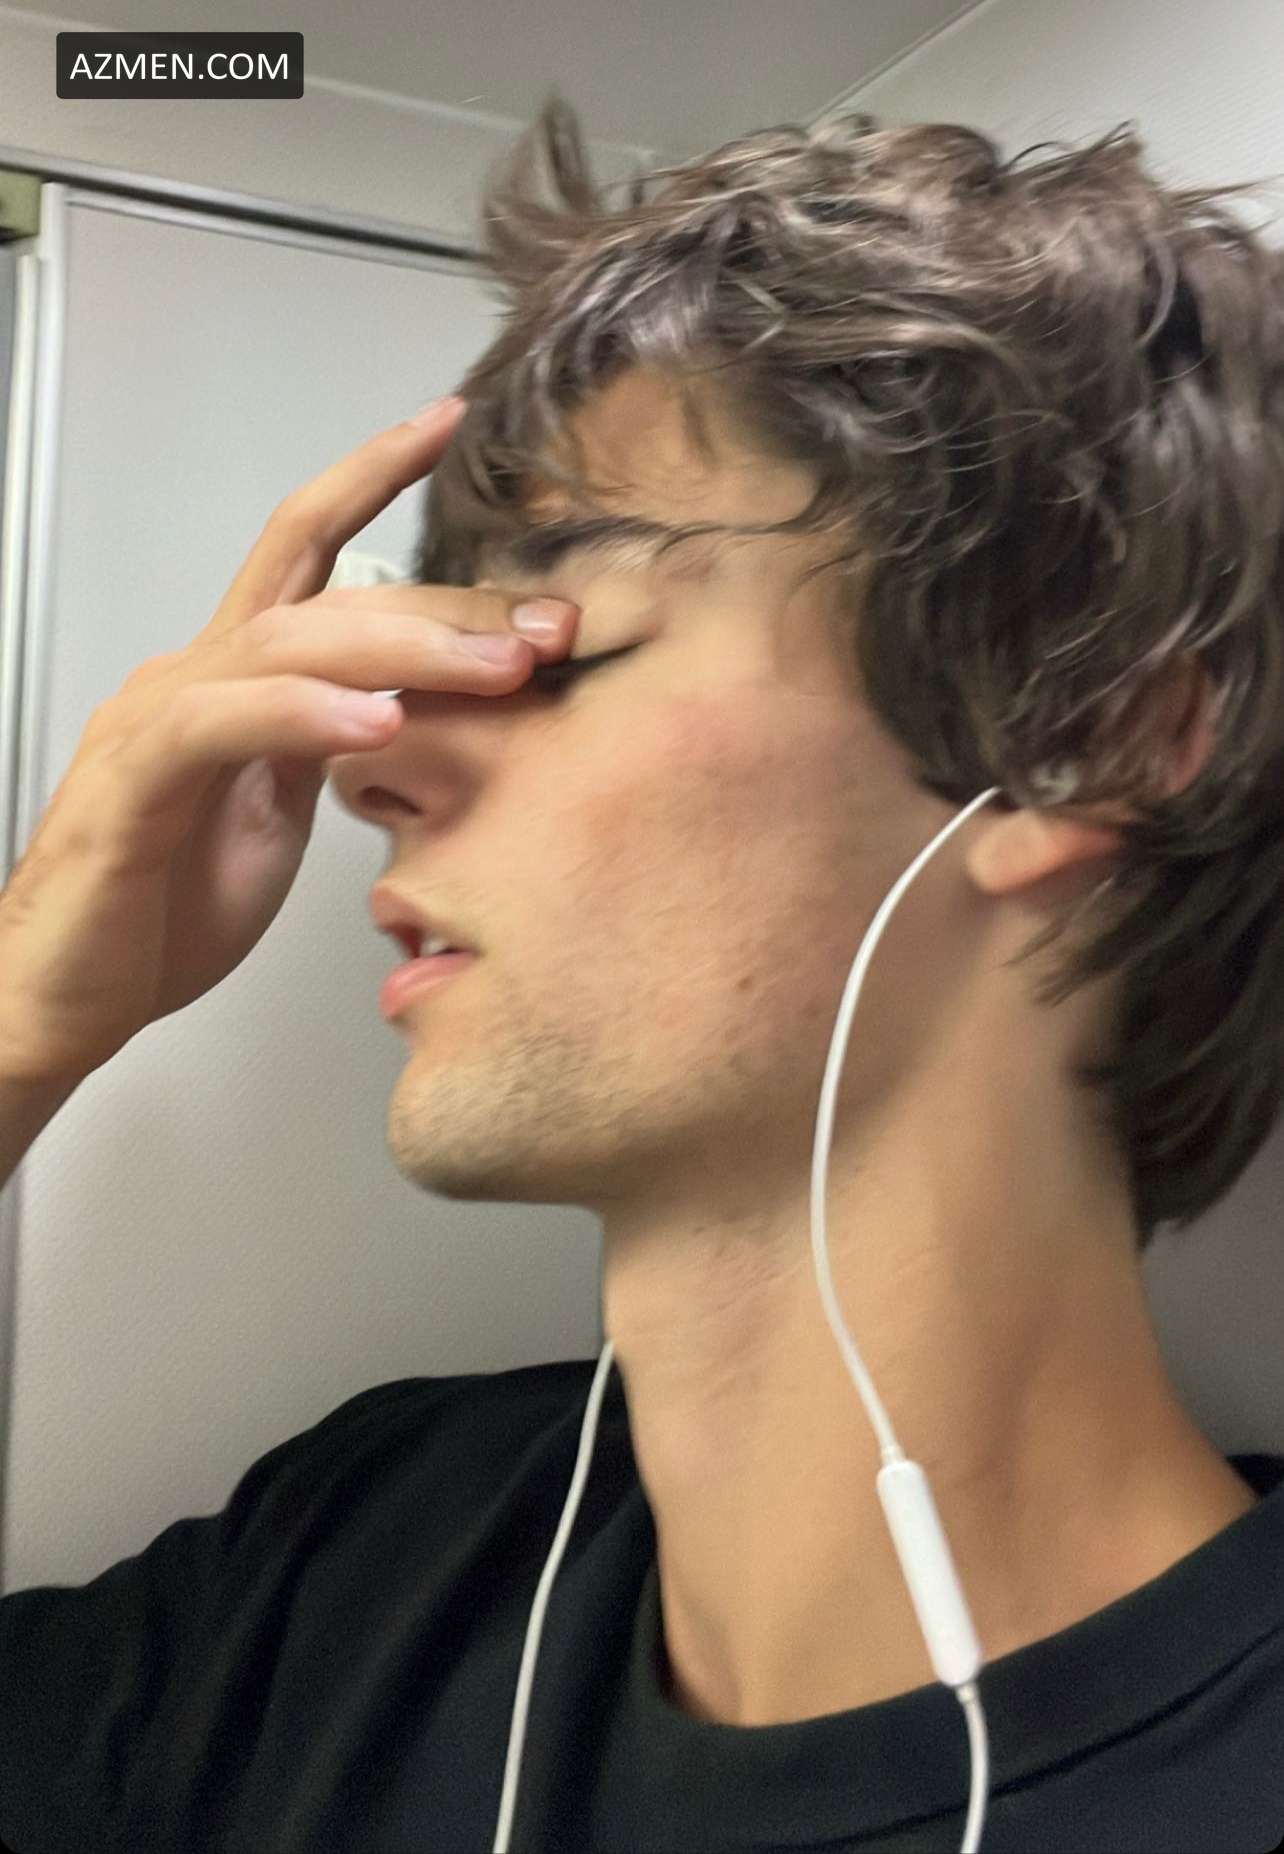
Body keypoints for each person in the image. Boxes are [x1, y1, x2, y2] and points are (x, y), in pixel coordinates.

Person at [1, 96, 1283, 1854]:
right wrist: (24, 1016)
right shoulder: (350, 1575)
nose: (370, 765)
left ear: (1080, 735)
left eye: (548, 643)